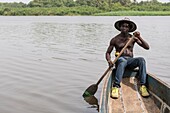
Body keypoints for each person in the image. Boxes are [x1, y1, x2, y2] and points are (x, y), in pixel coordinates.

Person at [105, 18, 150, 99]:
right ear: (120, 27)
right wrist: (109, 61)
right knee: (122, 60)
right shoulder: (115, 39)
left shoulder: (132, 38)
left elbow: (147, 47)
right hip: (120, 61)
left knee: (141, 60)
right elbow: (108, 52)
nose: (124, 28)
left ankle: (143, 86)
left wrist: (139, 37)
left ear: (129, 29)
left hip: (130, 61)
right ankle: (116, 87)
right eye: (123, 26)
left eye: (126, 26)